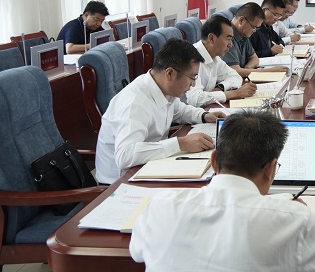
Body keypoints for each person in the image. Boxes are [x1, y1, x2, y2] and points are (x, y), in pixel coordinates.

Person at [129, 110, 315, 271]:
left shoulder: (161, 206)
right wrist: (311, 217)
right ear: (271, 169)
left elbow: (137, 253)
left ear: (214, 161)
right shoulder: (293, 219)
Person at [95, 39, 226, 184]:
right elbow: (125, 155)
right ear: (169, 73)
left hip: (149, 166)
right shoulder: (135, 104)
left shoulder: (161, 86)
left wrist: (204, 115)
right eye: (192, 77)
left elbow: (179, 110)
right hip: (120, 182)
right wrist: (181, 143)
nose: (193, 84)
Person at [185, 16, 257, 107]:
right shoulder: (191, 59)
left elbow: (235, 76)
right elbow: (195, 99)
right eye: (228, 39)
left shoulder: (214, 57)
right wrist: (235, 93)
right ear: (211, 38)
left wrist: (220, 87)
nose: (230, 45)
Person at [221, 2, 287, 78]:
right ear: (241, 20)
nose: (255, 31)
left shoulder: (243, 33)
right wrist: (270, 71)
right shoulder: (227, 36)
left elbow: (254, 58)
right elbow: (235, 71)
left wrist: (246, 69)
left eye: (257, 28)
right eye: (253, 27)